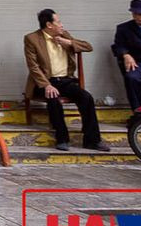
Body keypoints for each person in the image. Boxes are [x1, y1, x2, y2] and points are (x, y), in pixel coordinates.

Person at [24, 9, 108, 152]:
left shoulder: (64, 35)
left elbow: (88, 47)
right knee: (53, 99)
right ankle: (62, 139)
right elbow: (33, 66)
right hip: (44, 81)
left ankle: (92, 140)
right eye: (58, 22)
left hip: (65, 81)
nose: (62, 25)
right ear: (49, 25)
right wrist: (46, 85)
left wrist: (68, 42)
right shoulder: (32, 39)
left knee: (86, 97)